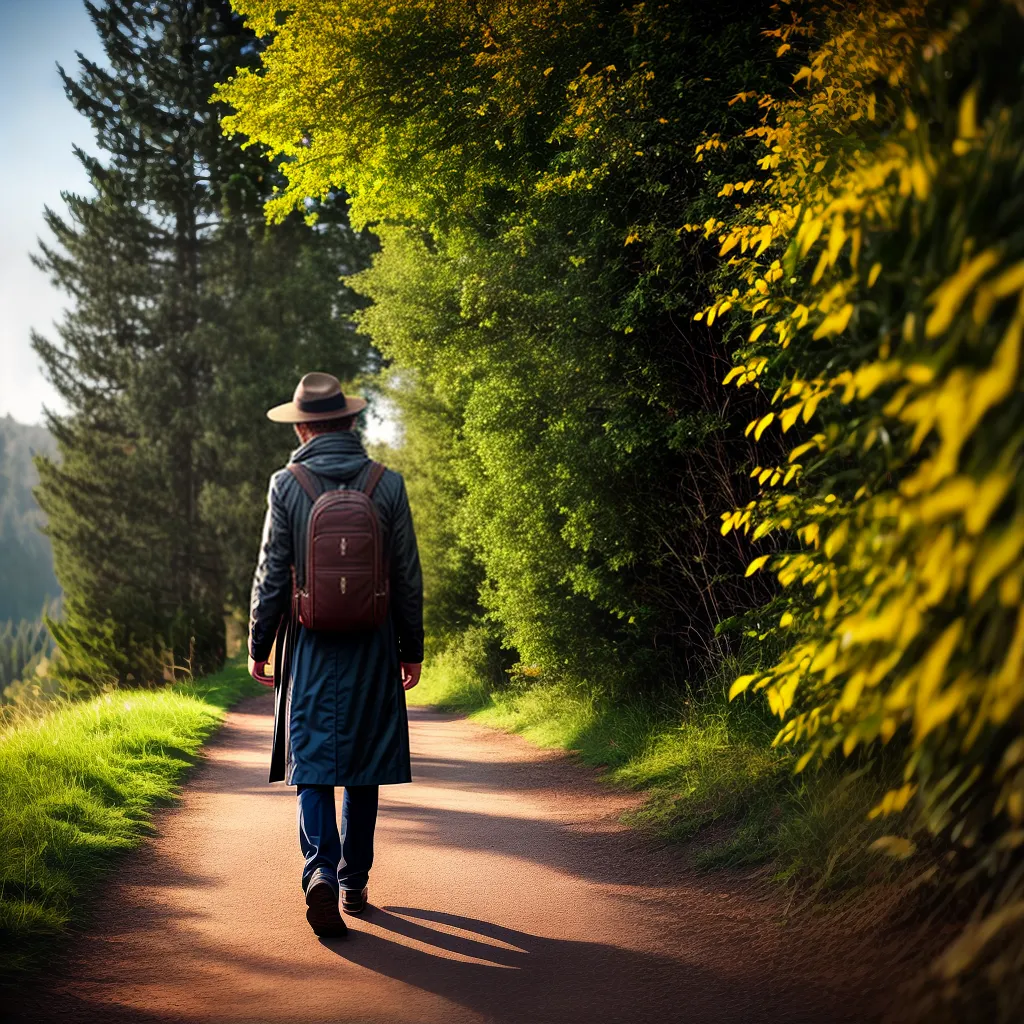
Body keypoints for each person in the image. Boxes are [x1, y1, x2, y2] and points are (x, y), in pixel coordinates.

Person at [247, 371, 424, 938]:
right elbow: (406, 577)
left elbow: (272, 575)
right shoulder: (386, 483)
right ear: (349, 421)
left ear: (302, 427)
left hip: (309, 642)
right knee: (365, 761)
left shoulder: (287, 484)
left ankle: (319, 869)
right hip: (373, 641)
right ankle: (353, 880)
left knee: (314, 758)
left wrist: (258, 643)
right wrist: (411, 649)